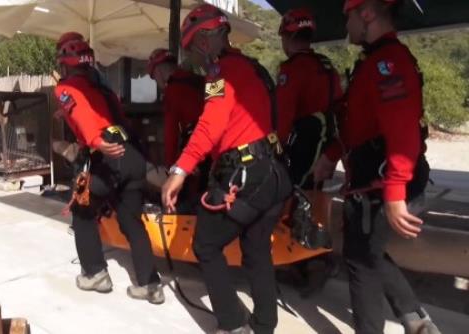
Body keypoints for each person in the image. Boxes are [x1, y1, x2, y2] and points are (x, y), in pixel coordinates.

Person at [162, 5, 291, 333]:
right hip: (272, 172)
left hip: (245, 173)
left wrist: (179, 170)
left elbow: (210, 125)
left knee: (205, 244)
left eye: (192, 48)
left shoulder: (219, 73)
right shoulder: (252, 68)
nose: (192, 57)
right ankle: (263, 326)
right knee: (257, 251)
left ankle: (233, 325)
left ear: (205, 41)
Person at [313, 1, 440, 333]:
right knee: (365, 249)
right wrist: (333, 155)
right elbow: (360, 128)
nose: (346, 26)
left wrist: (394, 193)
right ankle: (415, 318)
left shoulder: (388, 63)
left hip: (387, 180)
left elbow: (403, 131)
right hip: (372, 178)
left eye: (348, 17)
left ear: (366, 14)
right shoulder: (373, 62)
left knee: (359, 260)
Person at [53, 32, 164, 304]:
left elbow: (81, 115)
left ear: (66, 63)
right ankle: (151, 285)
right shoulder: (100, 86)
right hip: (131, 155)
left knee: (81, 208)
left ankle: (95, 273)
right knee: (131, 221)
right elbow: (110, 114)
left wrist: (95, 141)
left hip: (104, 155)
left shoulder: (66, 87)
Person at [276, 8, 343, 189]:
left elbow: (282, 121)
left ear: (287, 38)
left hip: (303, 146)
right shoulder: (327, 66)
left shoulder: (292, 69)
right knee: (313, 197)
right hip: (326, 148)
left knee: (292, 197)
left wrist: (274, 153)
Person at [147, 48, 208, 210]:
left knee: (189, 195)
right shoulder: (200, 81)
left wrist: (170, 167)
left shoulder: (173, 90)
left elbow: (171, 133)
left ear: (158, 72)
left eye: (154, 78)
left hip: (197, 144)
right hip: (216, 145)